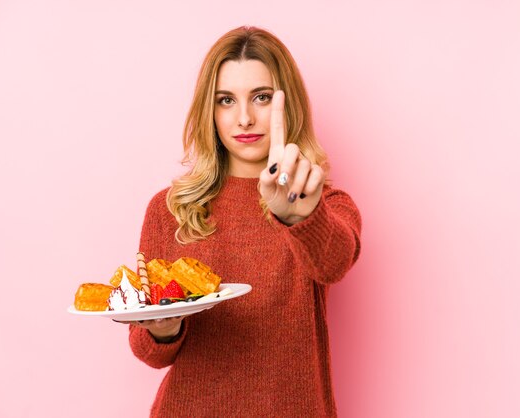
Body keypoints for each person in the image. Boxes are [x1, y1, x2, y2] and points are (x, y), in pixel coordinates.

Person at [126, 26, 362, 417]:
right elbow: (148, 351)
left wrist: (297, 217)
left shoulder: (326, 204)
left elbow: (335, 261)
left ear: (289, 106)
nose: (245, 117)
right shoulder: (170, 209)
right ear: (209, 110)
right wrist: (162, 329)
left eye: (262, 97)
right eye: (226, 100)